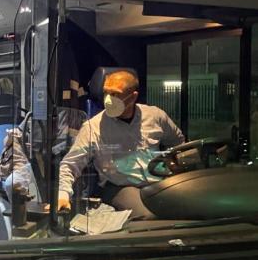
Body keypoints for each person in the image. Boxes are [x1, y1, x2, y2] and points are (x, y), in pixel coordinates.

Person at [57, 70, 184, 218]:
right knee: (148, 216)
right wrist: (63, 195)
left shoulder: (155, 116)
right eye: (106, 93)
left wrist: (173, 166)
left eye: (116, 94)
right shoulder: (93, 127)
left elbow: (179, 143)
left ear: (133, 96)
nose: (109, 100)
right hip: (119, 186)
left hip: (158, 181)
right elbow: (70, 164)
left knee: (185, 207)